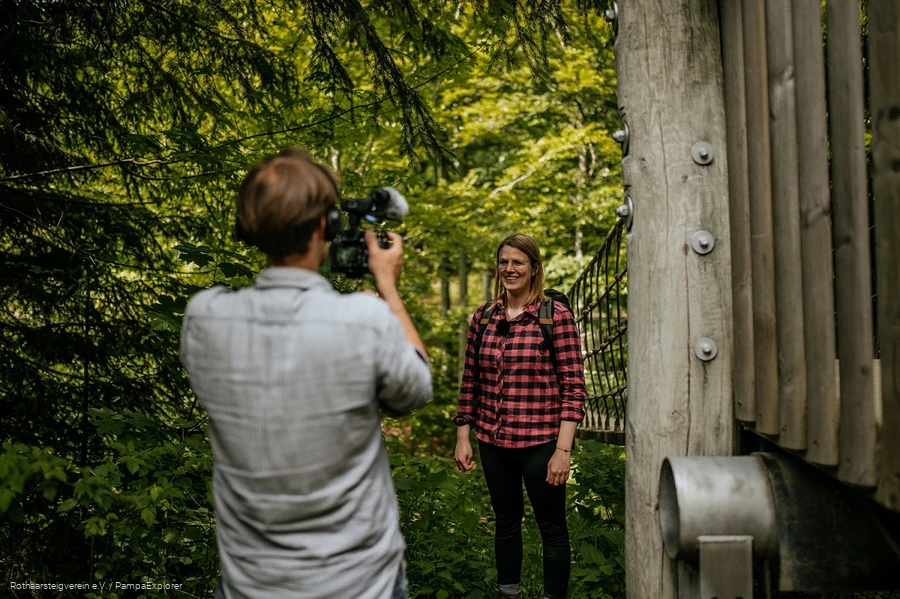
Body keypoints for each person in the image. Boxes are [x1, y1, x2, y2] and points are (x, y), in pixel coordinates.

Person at [180, 147, 432, 599]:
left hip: (249, 585)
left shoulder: (204, 318)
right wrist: (388, 287)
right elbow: (416, 388)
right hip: (361, 585)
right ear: (324, 226)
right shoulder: (363, 320)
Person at [454, 234, 586, 599]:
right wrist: (463, 436)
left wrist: (563, 450)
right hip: (493, 441)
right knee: (506, 523)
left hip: (541, 443)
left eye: (518, 263)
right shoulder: (483, 317)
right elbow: (471, 381)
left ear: (534, 269)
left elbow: (574, 386)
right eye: (504, 262)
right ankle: (507, 593)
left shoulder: (554, 316)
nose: (509, 269)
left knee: (552, 528)